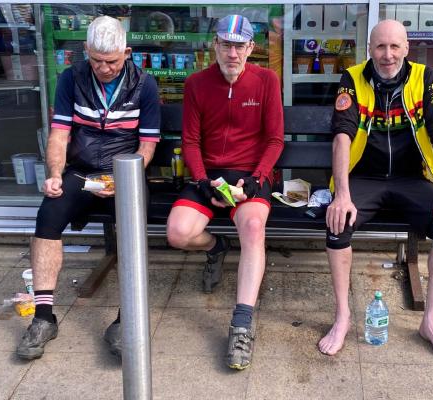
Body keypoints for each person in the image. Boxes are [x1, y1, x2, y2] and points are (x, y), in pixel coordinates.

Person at [319, 19, 433, 362]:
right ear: (370, 48)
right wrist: (342, 194)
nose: (387, 55)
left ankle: (430, 322)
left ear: (406, 48)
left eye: (394, 46)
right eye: (380, 46)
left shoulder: (425, 78)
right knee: (337, 224)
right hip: (364, 178)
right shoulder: (352, 78)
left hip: (412, 179)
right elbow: (342, 136)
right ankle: (343, 317)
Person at [16, 16, 161, 360]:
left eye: (111, 61)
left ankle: (127, 319)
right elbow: (60, 134)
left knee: (131, 227)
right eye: (96, 60)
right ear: (85, 51)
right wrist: (54, 173)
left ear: (126, 53)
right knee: (47, 217)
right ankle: (43, 317)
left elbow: (147, 146)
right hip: (80, 172)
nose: (103, 68)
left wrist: (123, 176)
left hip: (124, 171)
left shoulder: (146, 84)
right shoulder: (71, 78)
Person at [166, 14, 284, 370]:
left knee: (252, 227)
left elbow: (275, 139)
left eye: (239, 45)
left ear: (251, 48)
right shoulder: (197, 84)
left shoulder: (266, 80)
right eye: (225, 44)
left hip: (250, 175)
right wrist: (203, 181)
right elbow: (190, 140)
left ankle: (242, 324)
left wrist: (251, 181)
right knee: (177, 233)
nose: (232, 53)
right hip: (209, 176)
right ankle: (217, 246)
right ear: (214, 45)